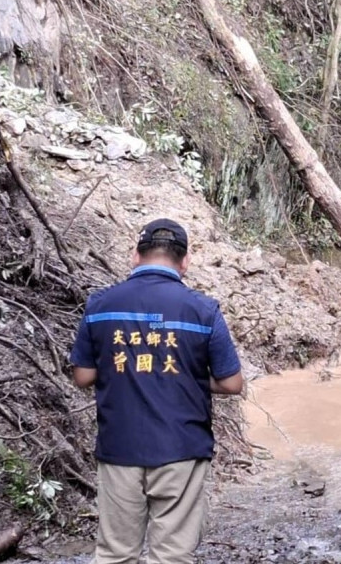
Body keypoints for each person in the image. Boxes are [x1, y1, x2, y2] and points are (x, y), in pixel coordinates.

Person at [70, 218, 243, 564]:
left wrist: (127, 366)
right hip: (182, 448)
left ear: (135, 255)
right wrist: (188, 373)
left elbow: (84, 376)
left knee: (116, 554)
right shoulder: (203, 310)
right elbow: (232, 383)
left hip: (119, 447)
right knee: (172, 556)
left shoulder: (101, 306)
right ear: (185, 261)